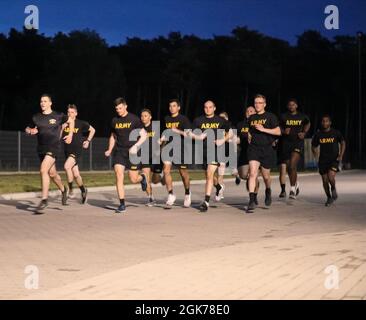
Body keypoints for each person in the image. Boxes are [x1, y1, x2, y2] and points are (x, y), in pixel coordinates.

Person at [25, 94, 75, 212]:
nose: (42, 103)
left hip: (54, 147)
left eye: (45, 101)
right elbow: (27, 128)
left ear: (50, 103)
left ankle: (44, 199)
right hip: (41, 148)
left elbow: (71, 120)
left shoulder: (58, 115)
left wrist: (70, 135)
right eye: (41, 101)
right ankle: (63, 190)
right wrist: (30, 131)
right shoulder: (36, 117)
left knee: (43, 170)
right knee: (52, 174)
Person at [104, 97, 148, 213]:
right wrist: (109, 149)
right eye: (116, 108)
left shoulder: (134, 119)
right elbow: (113, 136)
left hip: (133, 152)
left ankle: (142, 177)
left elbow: (144, 135)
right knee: (119, 175)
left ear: (125, 106)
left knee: (133, 179)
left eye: (120, 108)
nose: (118, 110)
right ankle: (122, 204)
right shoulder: (114, 121)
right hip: (120, 151)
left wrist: (136, 146)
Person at [191, 100, 230, 212]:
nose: (208, 109)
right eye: (206, 107)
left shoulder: (221, 120)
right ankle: (218, 187)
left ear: (214, 108)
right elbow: (190, 133)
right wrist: (198, 137)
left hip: (215, 150)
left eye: (210, 107)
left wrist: (222, 140)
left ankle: (206, 202)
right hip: (202, 151)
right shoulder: (198, 120)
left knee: (209, 174)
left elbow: (230, 132)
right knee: (210, 176)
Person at [247, 94, 281, 212]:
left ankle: (268, 190)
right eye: (256, 102)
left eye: (260, 103)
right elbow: (250, 132)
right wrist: (249, 136)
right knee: (252, 174)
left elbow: (278, 132)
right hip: (254, 149)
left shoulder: (270, 116)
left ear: (264, 104)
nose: (257, 105)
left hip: (267, 149)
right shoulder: (251, 118)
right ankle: (251, 200)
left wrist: (263, 129)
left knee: (266, 176)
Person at [160, 99, 192, 207]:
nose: (171, 108)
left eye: (174, 106)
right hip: (169, 148)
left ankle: (187, 193)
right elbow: (166, 133)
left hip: (181, 148)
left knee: (183, 173)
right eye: (170, 106)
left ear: (178, 107)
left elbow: (188, 135)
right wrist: (162, 141)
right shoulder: (166, 119)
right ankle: (171, 194)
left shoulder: (184, 119)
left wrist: (177, 131)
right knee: (166, 170)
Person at [62, 104, 95, 204]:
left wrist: (88, 141)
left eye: (72, 112)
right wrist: (62, 128)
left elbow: (93, 130)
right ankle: (83, 191)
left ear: (76, 113)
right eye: (68, 112)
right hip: (67, 151)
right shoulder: (64, 123)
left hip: (77, 151)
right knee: (76, 175)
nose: (70, 114)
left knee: (67, 166)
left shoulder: (81, 123)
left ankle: (71, 191)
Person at [278, 99, 311, 199]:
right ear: (288, 107)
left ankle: (292, 189)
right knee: (290, 168)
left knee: (292, 165)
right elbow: (278, 126)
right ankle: (296, 183)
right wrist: (284, 131)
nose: (291, 106)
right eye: (290, 105)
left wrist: (304, 133)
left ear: (296, 106)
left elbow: (308, 123)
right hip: (286, 143)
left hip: (298, 143)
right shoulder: (283, 116)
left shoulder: (302, 116)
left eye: (293, 105)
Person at [311, 115, 346, 206]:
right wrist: (316, 155)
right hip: (323, 160)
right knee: (325, 181)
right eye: (323, 121)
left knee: (331, 176)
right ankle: (329, 197)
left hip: (334, 159)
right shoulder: (318, 134)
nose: (324, 123)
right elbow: (313, 146)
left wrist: (341, 155)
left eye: (326, 121)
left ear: (330, 123)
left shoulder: (335, 132)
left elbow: (343, 142)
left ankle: (333, 188)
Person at [236, 106, 260, 202]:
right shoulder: (240, 125)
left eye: (251, 111)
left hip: (256, 152)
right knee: (243, 175)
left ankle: (253, 196)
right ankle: (252, 192)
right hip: (244, 152)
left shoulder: (259, 123)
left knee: (253, 175)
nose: (249, 112)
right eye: (247, 111)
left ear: (255, 113)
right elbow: (237, 138)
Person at [140, 108, 164, 206]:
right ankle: (150, 198)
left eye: (145, 116)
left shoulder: (156, 127)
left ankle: (161, 178)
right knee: (146, 178)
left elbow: (163, 139)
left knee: (155, 180)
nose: (143, 118)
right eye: (142, 116)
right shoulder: (139, 128)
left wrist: (160, 148)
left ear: (150, 117)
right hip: (145, 156)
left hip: (156, 156)